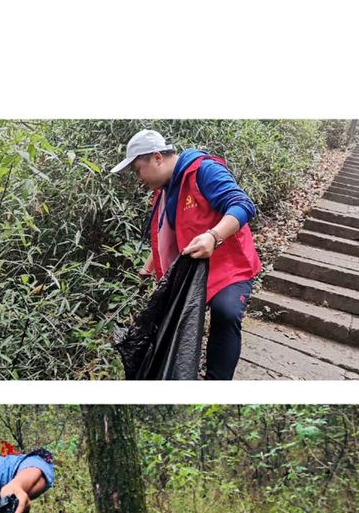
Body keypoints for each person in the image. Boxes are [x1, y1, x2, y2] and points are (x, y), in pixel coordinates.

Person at [111, 129, 262, 380]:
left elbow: (242, 204)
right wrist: (148, 267)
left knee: (226, 313)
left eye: (138, 169)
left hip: (229, 265)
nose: (138, 178)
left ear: (157, 157)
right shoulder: (165, 190)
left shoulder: (203, 171)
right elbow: (166, 232)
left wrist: (213, 236)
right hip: (193, 269)